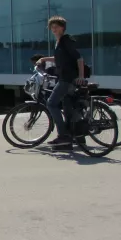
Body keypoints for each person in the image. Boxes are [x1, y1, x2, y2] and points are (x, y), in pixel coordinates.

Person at [36, 16, 86, 150]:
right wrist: (44, 58)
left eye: (56, 27)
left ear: (62, 28)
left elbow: (79, 58)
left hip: (67, 79)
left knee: (51, 103)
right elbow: (58, 58)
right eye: (52, 27)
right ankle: (72, 137)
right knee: (67, 106)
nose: (54, 29)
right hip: (63, 77)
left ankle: (63, 136)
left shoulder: (65, 40)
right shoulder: (59, 42)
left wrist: (81, 76)